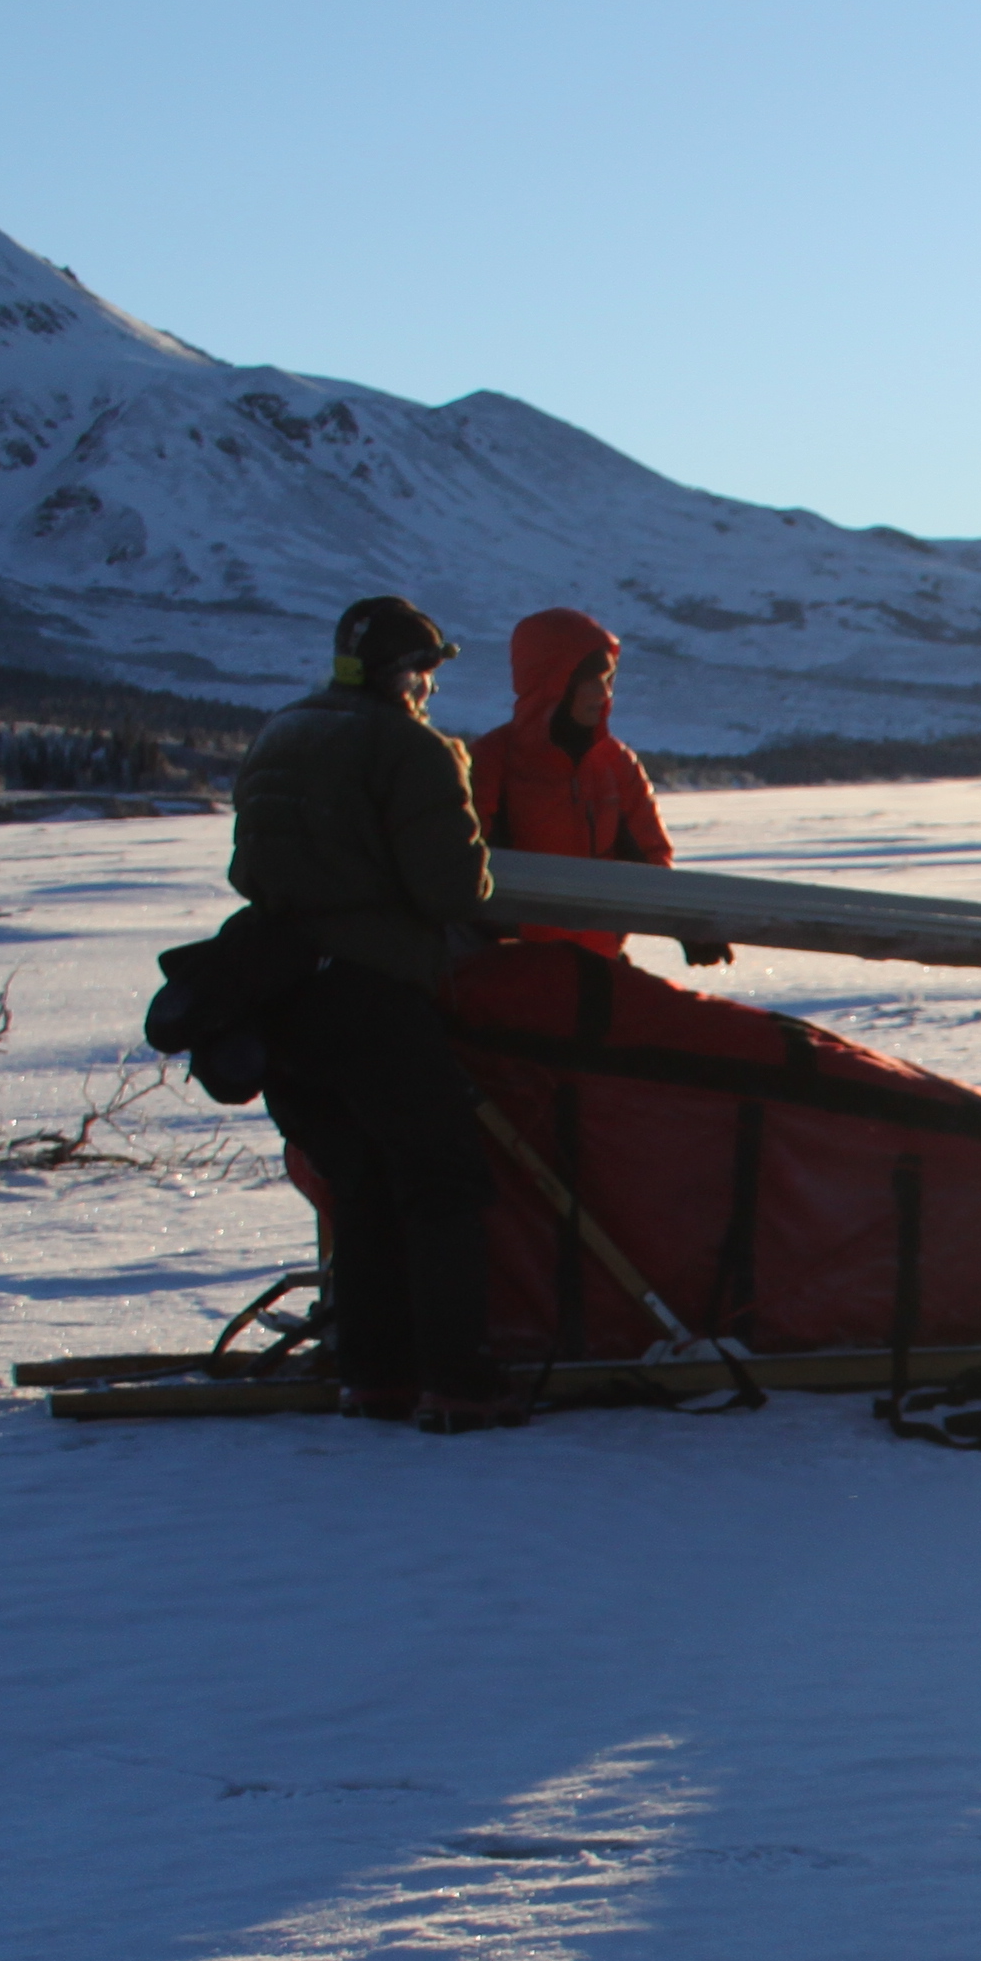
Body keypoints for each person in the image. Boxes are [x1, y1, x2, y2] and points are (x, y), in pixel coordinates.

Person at [227, 593, 517, 1430]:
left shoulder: (280, 734)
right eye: (426, 673)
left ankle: (374, 1374)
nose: (429, 688)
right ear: (408, 674)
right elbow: (452, 888)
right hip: (373, 992)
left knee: (359, 1185)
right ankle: (459, 1382)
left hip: (281, 994)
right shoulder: (411, 749)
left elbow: (249, 871)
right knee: (440, 1181)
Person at [461, 606, 728, 965]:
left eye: (609, 680)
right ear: (555, 680)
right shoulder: (491, 761)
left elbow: (648, 859)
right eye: (593, 679)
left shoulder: (615, 763)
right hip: (515, 971)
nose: (604, 694)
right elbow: (463, 868)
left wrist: (686, 926)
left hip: (599, 963)